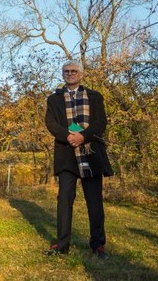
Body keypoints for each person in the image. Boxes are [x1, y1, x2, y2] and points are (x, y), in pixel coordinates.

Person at [44, 60, 113, 260]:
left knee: (94, 202)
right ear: (62, 74)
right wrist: (69, 136)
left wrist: (83, 136)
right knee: (64, 200)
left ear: (81, 74)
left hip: (91, 152)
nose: (70, 74)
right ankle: (62, 244)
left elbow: (101, 123)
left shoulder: (95, 97)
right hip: (66, 154)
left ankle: (98, 245)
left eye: (74, 71)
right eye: (66, 71)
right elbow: (50, 123)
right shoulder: (54, 99)